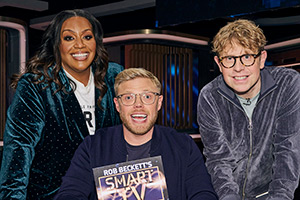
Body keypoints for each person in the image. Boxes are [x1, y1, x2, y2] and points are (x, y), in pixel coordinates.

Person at [0, 9, 123, 200]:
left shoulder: (114, 77)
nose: (80, 45)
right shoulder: (36, 85)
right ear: (56, 45)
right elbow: (18, 149)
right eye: (69, 38)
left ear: (96, 42)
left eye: (87, 36)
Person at [54, 68, 218, 200]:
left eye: (147, 96)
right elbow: (70, 193)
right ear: (118, 105)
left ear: (159, 103)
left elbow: (203, 193)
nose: (138, 105)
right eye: (128, 98)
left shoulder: (182, 145)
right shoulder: (93, 146)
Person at [197, 19, 300, 200]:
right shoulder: (209, 97)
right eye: (229, 58)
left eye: (247, 57)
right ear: (219, 64)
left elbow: (287, 151)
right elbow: (218, 161)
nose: (238, 68)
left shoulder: (287, 84)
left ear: (261, 59)